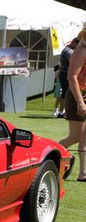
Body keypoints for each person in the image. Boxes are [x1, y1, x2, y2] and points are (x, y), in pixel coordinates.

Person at [59, 28, 86, 182]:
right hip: (78, 96)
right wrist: (80, 102)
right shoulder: (80, 51)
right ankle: (48, 155)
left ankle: (83, 173)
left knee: (84, 139)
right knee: (75, 136)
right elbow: (72, 78)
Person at [57, 38, 79, 118]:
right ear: (74, 42)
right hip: (66, 74)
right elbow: (75, 62)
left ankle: (61, 112)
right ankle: (64, 112)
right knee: (67, 93)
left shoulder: (67, 49)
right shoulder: (69, 51)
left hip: (64, 73)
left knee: (65, 93)